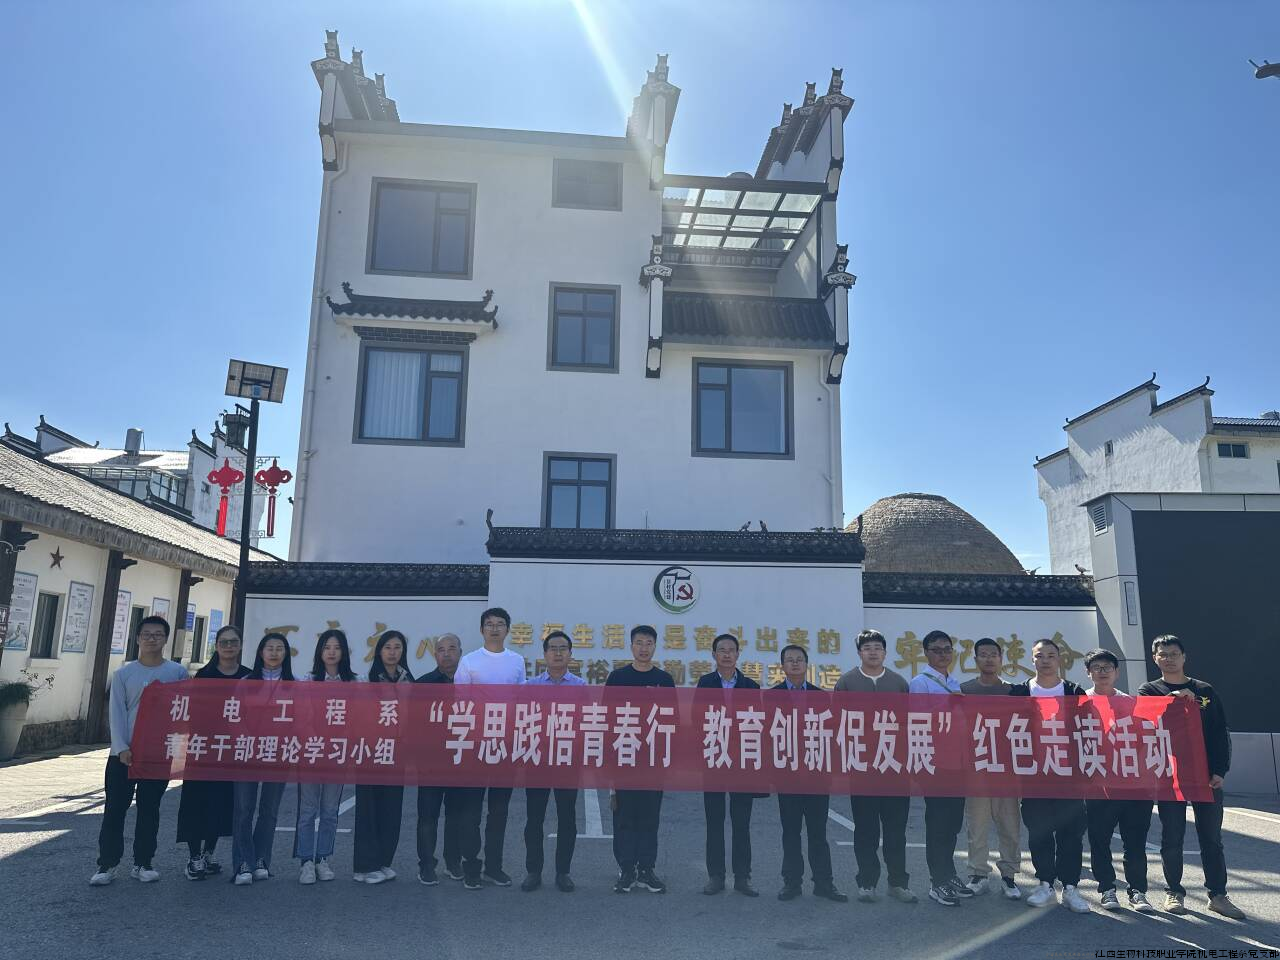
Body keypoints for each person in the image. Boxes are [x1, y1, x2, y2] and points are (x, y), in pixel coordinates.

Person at [1137, 635, 1245, 920]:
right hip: (1169, 775)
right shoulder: (1149, 690)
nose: (1169, 659)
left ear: (1184, 657)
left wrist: (1220, 770)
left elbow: (1220, 732)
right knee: (1172, 837)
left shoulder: (1204, 690)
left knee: (1211, 838)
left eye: (1174, 653)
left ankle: (1218, 895)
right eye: (1163, 654)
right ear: (1155, 659)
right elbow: (1143, 723)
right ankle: (1174, 892)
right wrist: (1170, 701)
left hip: (1206, 776)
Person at [89, 615, 189, 886]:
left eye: (158, 634)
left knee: (149, 809)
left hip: (157, 754)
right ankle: (107, 864)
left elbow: (182, 714)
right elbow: (117, 713)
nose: (151, 639)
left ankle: (143, 862)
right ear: (137, 638)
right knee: (115, 809)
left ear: (165, 639)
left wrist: (177, 750)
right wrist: (121, 747)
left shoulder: (177, 673)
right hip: (123, 755)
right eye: (146, 634)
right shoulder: (124, 674)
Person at [834, 629, 916, 903]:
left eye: (877, 647)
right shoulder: (847, 682)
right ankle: (867, 882)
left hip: (895, 768)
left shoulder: (898, 683)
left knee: (896, 831)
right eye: (867, 647)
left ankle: (898, 883)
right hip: (862, 768)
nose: (873, 652)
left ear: (885, 652)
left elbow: (909, 724)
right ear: (859, 652)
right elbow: (839, 723)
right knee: (865, 829)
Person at [1010, 637, 1089, 913]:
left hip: (1069, 777)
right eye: (1039, 656)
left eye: (1050, 655)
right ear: (1031, 659)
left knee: (1071, 834)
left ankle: (1070, 887)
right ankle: (1044, 883)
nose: (1045, 661)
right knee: (1039, 832)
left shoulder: (1074, 691)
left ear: (1060, 659)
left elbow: (1088, 730)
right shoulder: (1019, 692)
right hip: (1034, 776)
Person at [453, 607, 526, 890]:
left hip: (505, 745)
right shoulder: (469, 661)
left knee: (499, 811)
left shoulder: (516, 661)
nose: (494, 628)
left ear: (507, 629)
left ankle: (494, 866)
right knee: (471, 809)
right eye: (489, 624)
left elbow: (521, 701)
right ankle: (471, 866)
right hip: (475, 744)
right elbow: (460, 703)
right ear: (481, 629)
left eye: (500, 624)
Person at [773, 644, 847, 904]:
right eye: (789, 660)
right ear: (782, 666)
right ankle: (791, 883)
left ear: (807, 665)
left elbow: (830, 734)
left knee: (818, 833)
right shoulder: (771, 696)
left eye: (799, 659)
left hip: (816, 774)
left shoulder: (820, 696)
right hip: (787, 775)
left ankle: (824, 883)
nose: (795, 663)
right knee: (791, 832)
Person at [1080, 647, 1154, 913]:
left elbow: (1147, 738)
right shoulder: (1079, 703)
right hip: (1099, 785)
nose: (1102, 672)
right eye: (1096, 668)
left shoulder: (1132, 703)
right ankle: (1107, 889)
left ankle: (1138, 891)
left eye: (1107, 668)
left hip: (1135, 784)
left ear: (1117, 672)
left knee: (1135, 841)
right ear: (1088, 673)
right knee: (1099, 840)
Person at [176, 624, 251, 881]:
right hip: (203, 748)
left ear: (240, 646)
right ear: (216, 646)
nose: (229, 646)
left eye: (233, 642)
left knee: (221, 803)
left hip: (232, 750)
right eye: (224, 642)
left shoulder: (248, 677)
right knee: (196, 802)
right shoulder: (203, 675)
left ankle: (209, 853)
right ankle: (194, 857)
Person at [606, 625, 676, 894]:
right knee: (624, 816)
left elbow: (671, 719)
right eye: (639, 642)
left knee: (649, 816)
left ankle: (646, 869)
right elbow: (607, 717)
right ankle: (626, 869)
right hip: (624, 755)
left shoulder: (664, 679)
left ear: (655, 646)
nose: (644, 648)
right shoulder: (618, 677)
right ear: (631, 646)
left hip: (653, 759)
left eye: (648, 643)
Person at [907, 629, 973, 906]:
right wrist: (947, 705)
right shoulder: (920, 682)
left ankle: (949, 873)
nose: (943, 654)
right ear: (926, 653)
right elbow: (917, 720)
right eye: (936, 650)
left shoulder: (954, 681)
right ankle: (937, 882)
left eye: (947, 649)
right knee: (937, 823)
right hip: (934, 762)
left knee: (953, 823)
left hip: (958, 760)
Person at [697, 632, 761, 897]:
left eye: (731, 650)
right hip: (713, 758)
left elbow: (757, 723)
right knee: (714, 821)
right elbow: (697, 718)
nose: (726, 654)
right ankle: (716, 876)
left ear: (737, 654)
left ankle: (743, 877)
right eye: (721, 650)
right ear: (713, 655)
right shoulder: (705, 683)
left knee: (741, 823)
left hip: (742, 761)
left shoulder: (751, 686)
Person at [958, 637, 1022, 901]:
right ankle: (978, 874)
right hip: (976, 768)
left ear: (1001, 658)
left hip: (1007, 770)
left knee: (1010, 825)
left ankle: (1009, 875)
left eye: (993, 654)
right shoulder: (963, 690)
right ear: (975, 660)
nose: (988, 659)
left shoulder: (1014, 691)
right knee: (977, 825)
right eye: (983, 654)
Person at [296, 628, 360, 885]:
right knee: (308, 810)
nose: (331, 652)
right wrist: (314, 739)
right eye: (326, 647)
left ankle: (323, 858)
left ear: (344, 652)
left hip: (337, 752)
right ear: (319, 651)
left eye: (337, 647)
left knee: (330, 810)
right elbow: (301, 717)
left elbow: (358, 717)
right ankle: (305, 862)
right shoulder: (309, 680)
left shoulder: (354, 682)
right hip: (311, 751)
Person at [522, 629, 585, 893]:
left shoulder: (580, 687)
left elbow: (584, 722)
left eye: (563, 649)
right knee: (534, 818)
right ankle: (533, 871)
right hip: (537, 759)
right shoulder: (531, 686)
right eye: (553, 649)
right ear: (545, 654)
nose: (558, 653)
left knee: (567, 818)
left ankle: (563, 872)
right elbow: (522, 721)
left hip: (567, 760)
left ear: (570, 654)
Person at [232, 632, 295, 886]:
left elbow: (300, 719)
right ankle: (242, 863)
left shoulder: (294, 685)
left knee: (269, 810)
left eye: (280, 648)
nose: (274, 653)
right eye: (270, 648)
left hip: (279, 754)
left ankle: (261, 860)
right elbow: (235, 716)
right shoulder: (246, 682)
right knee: (244, 809)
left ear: (286, 654)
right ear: (261, 653)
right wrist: (248, 740)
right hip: (248, 752)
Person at [353, 629, 414, 884]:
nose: (392, 652)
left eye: (397, 647)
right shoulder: (366, 681)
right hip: (371, 751)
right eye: (388, 647)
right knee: (368, 808)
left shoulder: (408, 681)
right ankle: (364, 866)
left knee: (391, 808)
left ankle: (383, 861)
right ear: (379, 651)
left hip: (397, 752)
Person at [416, 632, 463, 886]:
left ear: (460, 653)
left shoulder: (470, 684)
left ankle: (453, 862)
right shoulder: (423, 684)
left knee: (456, 815)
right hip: (431, 761)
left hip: (460, 759)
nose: (447, 654)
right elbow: (413, 724)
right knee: (428, 816)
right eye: (441, 650)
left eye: (452, 648)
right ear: (435, 655)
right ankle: (426, 864)